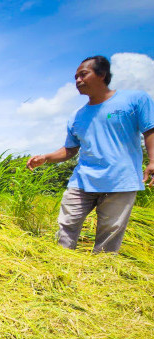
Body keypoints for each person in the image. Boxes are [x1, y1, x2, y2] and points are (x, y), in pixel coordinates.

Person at [26, 55, 154, 253]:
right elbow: (70, 149)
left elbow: (150, 130)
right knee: (66, 225)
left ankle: (99, 274)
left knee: (109, 233)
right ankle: (61, 264)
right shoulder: (77, 116)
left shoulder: (134, 100)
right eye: (75, 77)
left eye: (83, 74)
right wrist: (46, 158)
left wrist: (152, 160)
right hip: (83, 181)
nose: (77, 80)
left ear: (102, 74)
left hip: (120, 181)